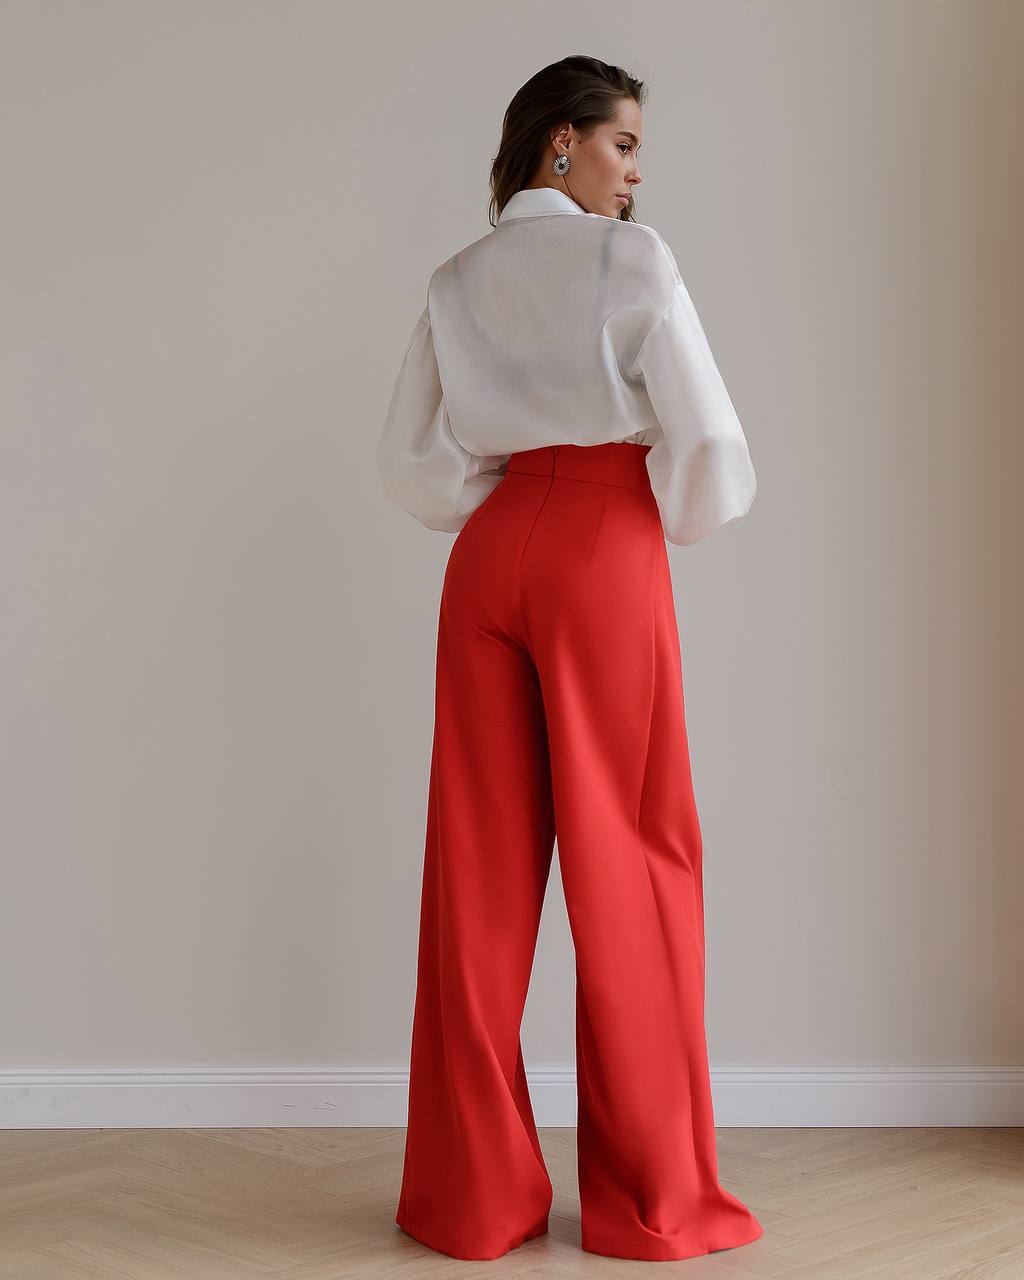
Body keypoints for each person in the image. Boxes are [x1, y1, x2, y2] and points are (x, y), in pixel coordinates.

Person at [376, 54, 763, 1264]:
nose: (634, 174)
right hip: (604, 544)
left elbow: (411, 458)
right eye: (623, 144)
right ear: (561, 142)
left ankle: (469, 1200)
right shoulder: (629, 261)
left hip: (488, 559)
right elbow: (704, 444)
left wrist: (497, 501)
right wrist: (667, 515)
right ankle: (650, 1201)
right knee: (634, 861)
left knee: (475, 879)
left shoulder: (458, 277)